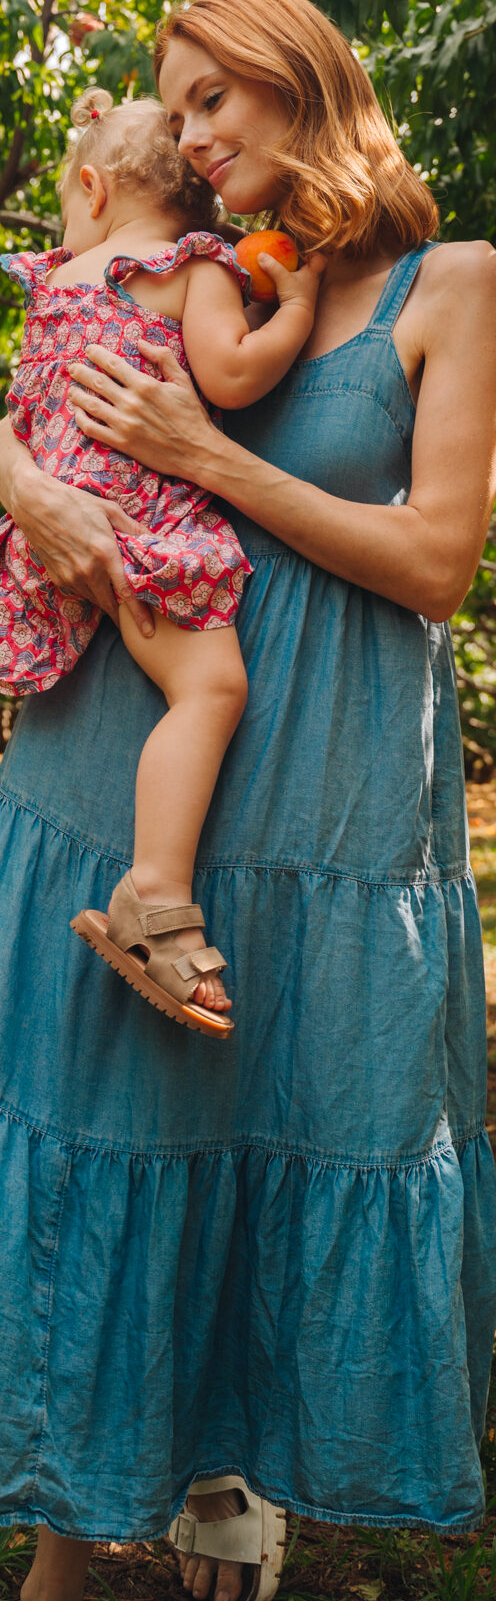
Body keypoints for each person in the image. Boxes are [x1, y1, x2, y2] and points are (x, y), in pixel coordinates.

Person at [0, 0, 496, 1601]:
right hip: (119, 756)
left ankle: (225, 1462)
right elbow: (28, 388)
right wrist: (43, 504)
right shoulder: (164, 268)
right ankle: (54, 1593)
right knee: (117, 1129)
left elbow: (436, 560)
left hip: (335, 795)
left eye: (219, 99)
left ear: (310, 81)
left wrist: (210, 461)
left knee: (287, 1114)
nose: (197, 136)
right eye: (177, 108)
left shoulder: (450, 286)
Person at [0, 89, 321, 1034]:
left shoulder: (55, 281)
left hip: (48, 532)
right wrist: (293, 311)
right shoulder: (189, 266)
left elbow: (21, 416)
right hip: (142, 528)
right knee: (211, 691)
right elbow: (227, 374)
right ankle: (153, 893)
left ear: (91, 190)